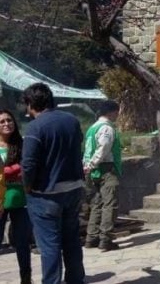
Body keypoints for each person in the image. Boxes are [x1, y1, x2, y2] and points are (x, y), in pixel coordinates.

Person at [21, 82, 85, 284]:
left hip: (45, 195)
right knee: (72, 241)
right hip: (74, 189)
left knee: (49, 245)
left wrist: (27, 186)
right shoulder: (72, 121)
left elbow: (28, 163)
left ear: (31, 103)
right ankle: (76, 280)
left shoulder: (35, 127)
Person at [0, 109, 33, 284]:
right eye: (2, 121)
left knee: (22, 244)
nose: (6, 124)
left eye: (9, 120)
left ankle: (26, 279)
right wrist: (13, 170)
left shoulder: (23, 144)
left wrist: (9, 172)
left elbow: (29, 166)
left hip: (20, 200)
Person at [83, 100, 122, 251]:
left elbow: (87, 150)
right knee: (109, 204)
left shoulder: (92, 128)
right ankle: (106, 239)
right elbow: (103, 148)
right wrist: (93, 164)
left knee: (97, 204)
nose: (117, 115)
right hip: (106, 169)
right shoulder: (107, 128)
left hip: (92, 171)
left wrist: (87, 166)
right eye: (117, 112)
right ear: (112, 112)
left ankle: (91, 238)